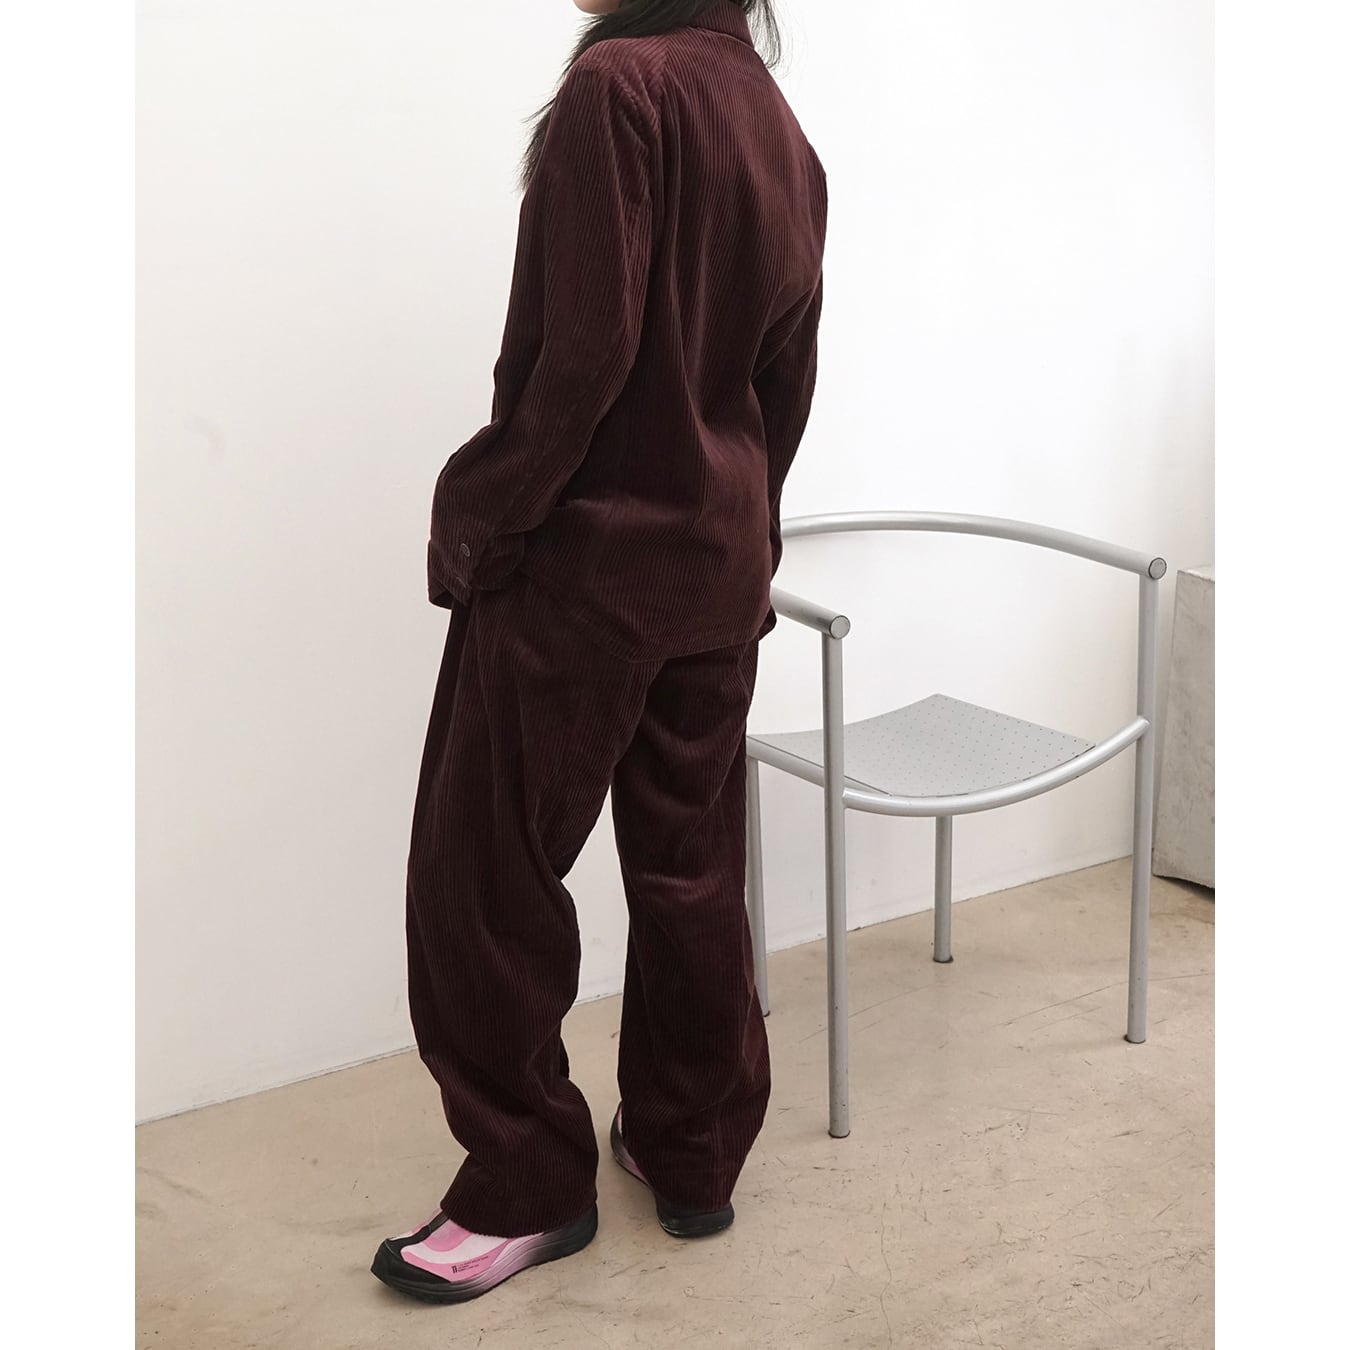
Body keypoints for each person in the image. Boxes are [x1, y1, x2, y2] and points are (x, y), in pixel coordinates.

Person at [371, 0, 827, 1304]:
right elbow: (786, 379)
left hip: (587, 568)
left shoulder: (617, 90)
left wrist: (476, 514)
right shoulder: (781, 128)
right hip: (714, 563)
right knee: (689, 869)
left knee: (480, 876)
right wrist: (739, 529)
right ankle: (691, 1151)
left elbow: (579, 359)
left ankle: (526, 1182)